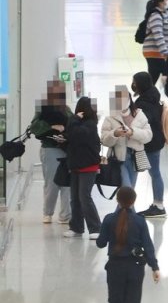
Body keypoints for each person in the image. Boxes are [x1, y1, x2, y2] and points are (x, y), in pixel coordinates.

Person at [96, 186, 160, 303]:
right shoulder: (139, 221)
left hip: (115, 266)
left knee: (114, 301)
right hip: (135, 268)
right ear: (133, 202)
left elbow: (100, 243)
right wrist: (154, 267)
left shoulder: (109, 219)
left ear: (117, 200)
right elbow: (148, 246)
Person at [31, 80, 72, 224]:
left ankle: (66, 215)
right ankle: (47, 212)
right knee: (52, 183)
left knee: (67, 183)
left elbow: (72, 123)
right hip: (50, 149)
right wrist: (52, 127)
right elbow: (34, 126)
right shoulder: (42, 108)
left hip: (65, 149)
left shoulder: (66, 108)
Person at [61, 96, 102, 239]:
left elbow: (78, 135)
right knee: (75, 198)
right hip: (76, 165)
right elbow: (72, 138)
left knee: (84, 197)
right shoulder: (77, 123)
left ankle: (96, 227)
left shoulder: (90, 124)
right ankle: (76, 227)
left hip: (88, 165)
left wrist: (73, 119)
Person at [130, 72, 168, 218]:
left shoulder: (143, 103)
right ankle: (158, 204)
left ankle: (157, 206)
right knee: (155, 173)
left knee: (137, 173)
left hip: (148, 143)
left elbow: (142, 122)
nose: (133, 84)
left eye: (134, 82)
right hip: (157, 140)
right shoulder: (154, 95)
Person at [101, 86, 152, 193]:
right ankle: (128, 210)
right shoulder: (110, 118)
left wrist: (133, 132)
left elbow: (148, 136)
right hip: (118, 159)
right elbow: (104, 140)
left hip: (135, 157)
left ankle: (121, 210)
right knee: (127, 189)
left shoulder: (139, 115)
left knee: (130, 190)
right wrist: (115, 133)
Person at [141, 0, 168, 105]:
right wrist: (166, 53)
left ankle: (145, 100)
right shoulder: (155, 16)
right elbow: (158, 35)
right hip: (156, 54)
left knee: (154, 79)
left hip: (161, 54)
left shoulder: (165, 14)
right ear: (160, 2)